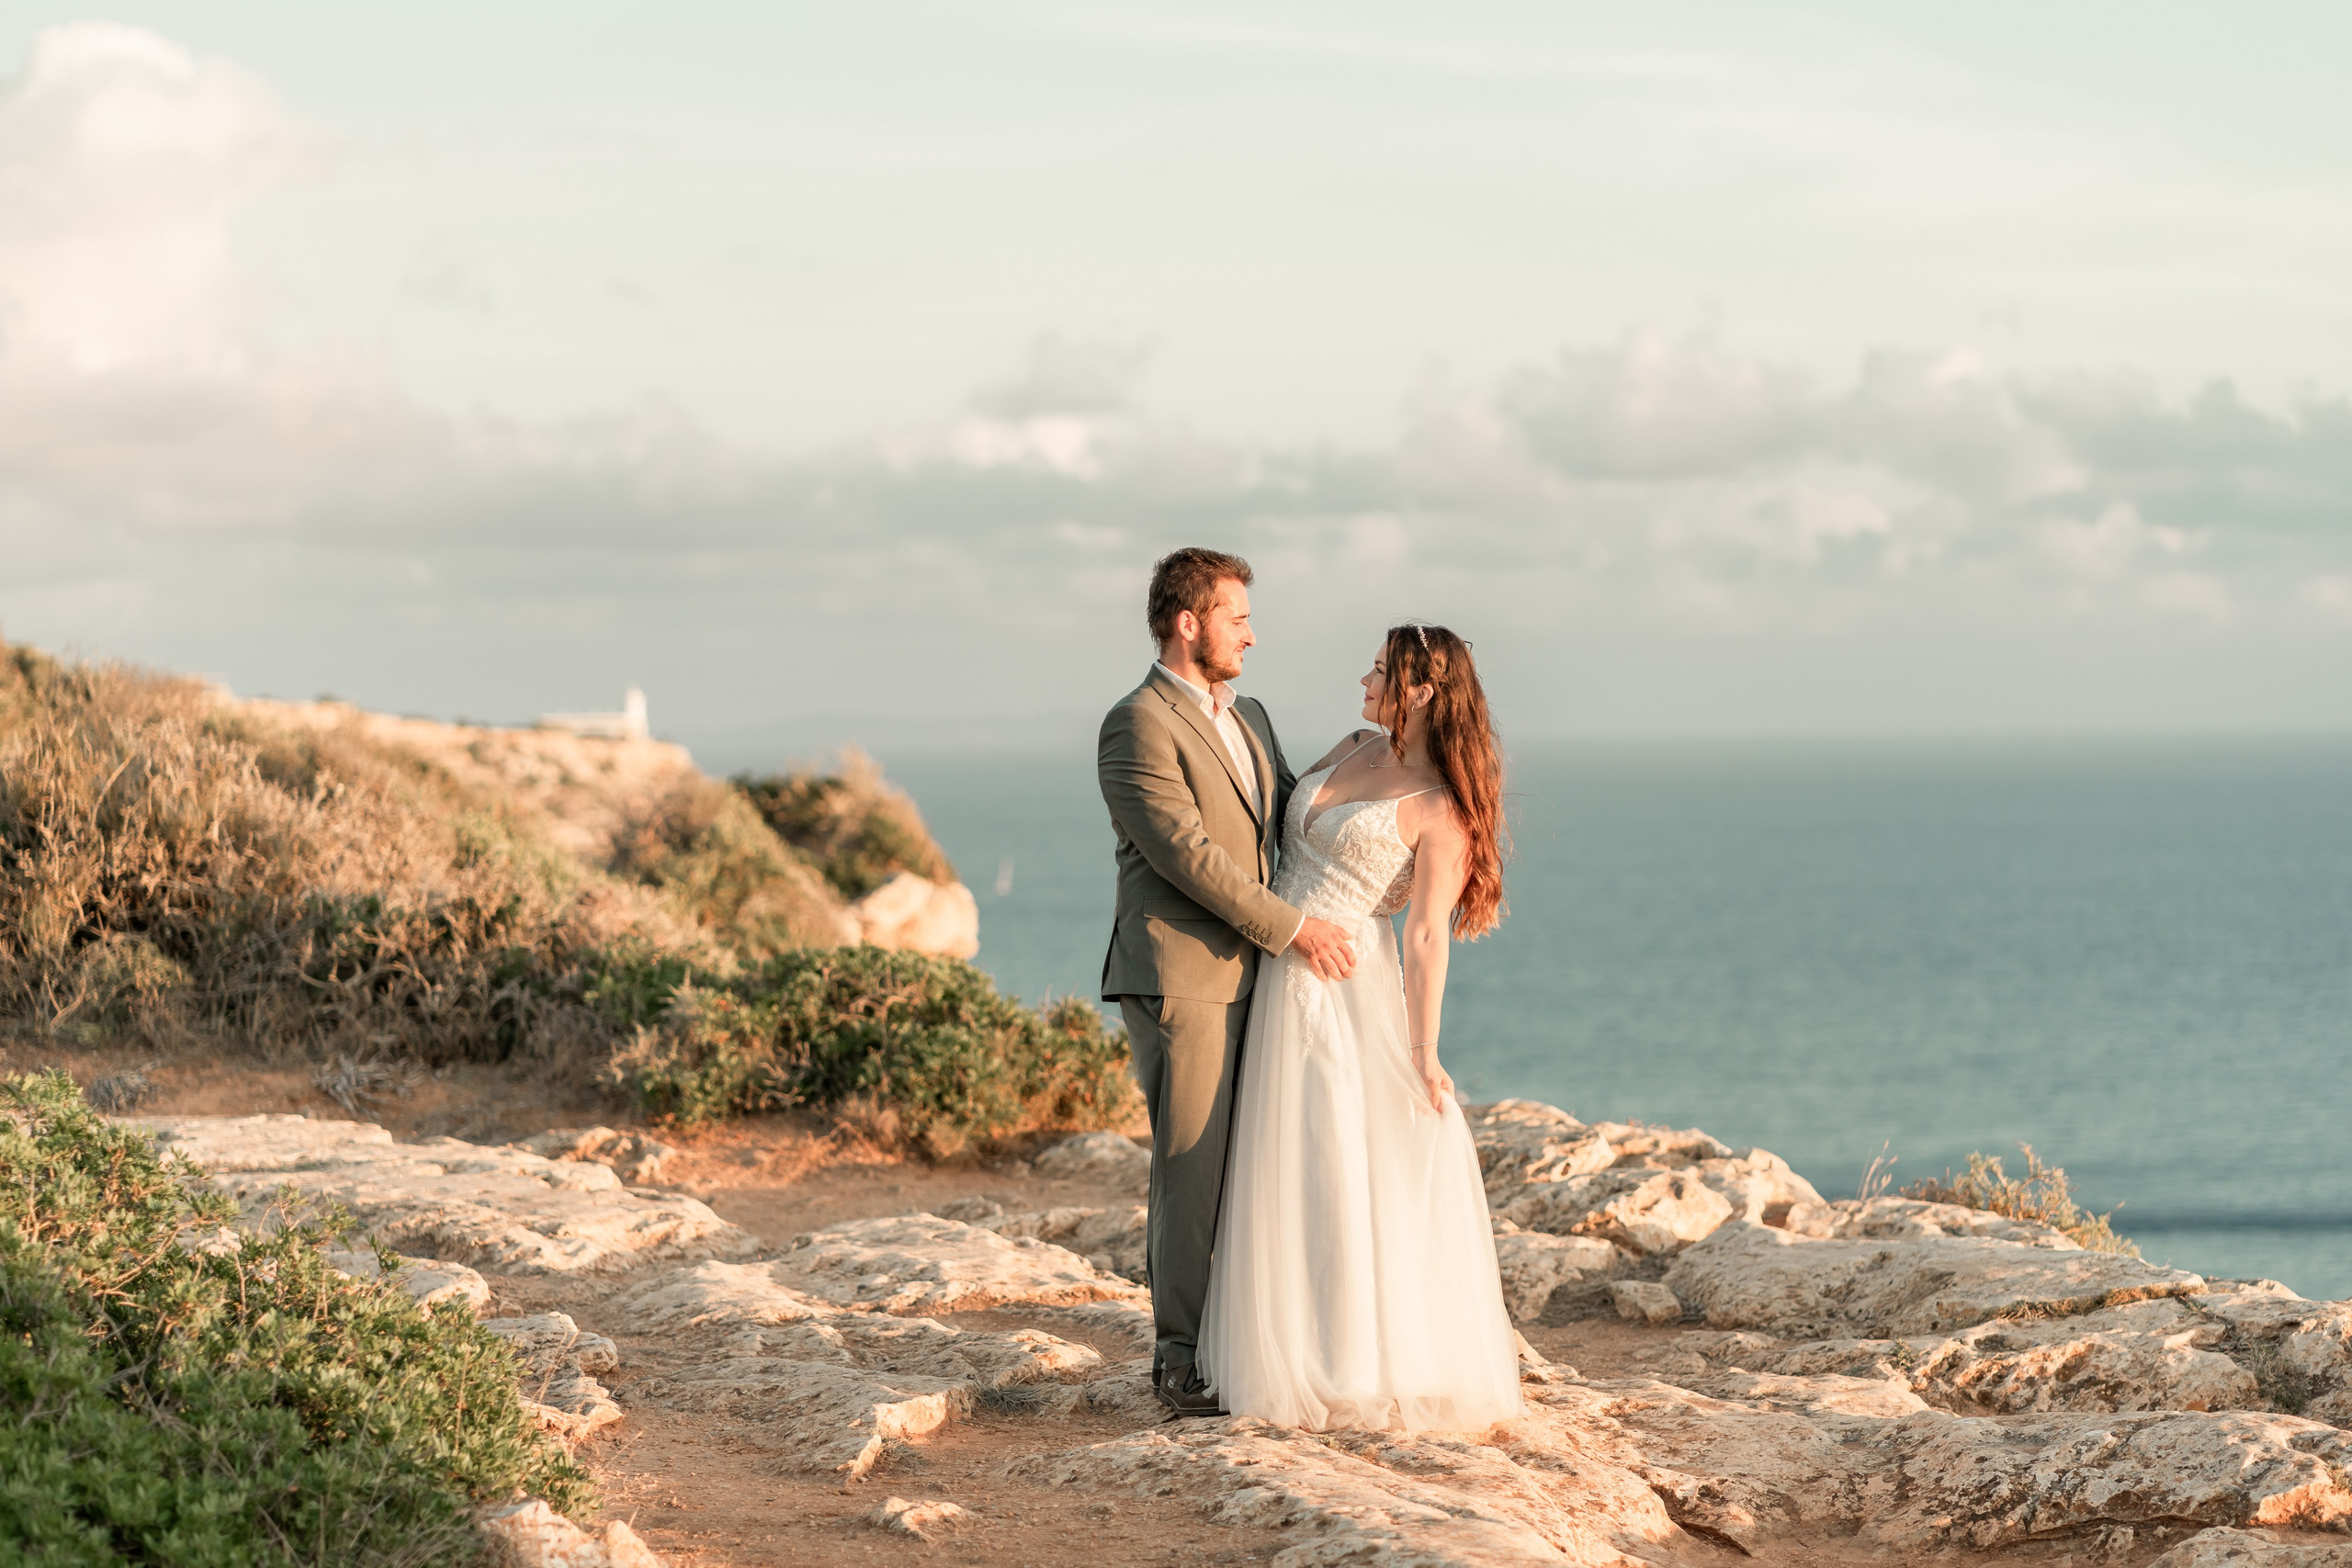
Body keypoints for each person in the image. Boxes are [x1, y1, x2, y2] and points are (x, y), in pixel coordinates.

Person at [1196, 622, 1524, 1431]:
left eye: (1379, 671)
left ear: (1419, 690)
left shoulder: (1441, 808)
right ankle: (1278, 1342)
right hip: (1279, 968)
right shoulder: (1349, 744)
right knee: (1280, 1158)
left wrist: (1423, 1051)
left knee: (1334, 1155)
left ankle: (1345, 1358)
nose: (1363, 680)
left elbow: (1424, 934)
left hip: (1346, 987)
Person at [1097, 547, 1360, 1417]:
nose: (1252, 631)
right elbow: (1188, 858)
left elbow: (1289, 813)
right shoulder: (1136, 723)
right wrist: (1296, 930)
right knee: (1194, 1167)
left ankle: (1247, 1341)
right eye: (1237, 616)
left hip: (1265, 978)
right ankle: (1179, 1362)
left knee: (1261, 1161)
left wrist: (1383, 764)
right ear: (1188, 622)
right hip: (1186, 977)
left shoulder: (1250, 714)